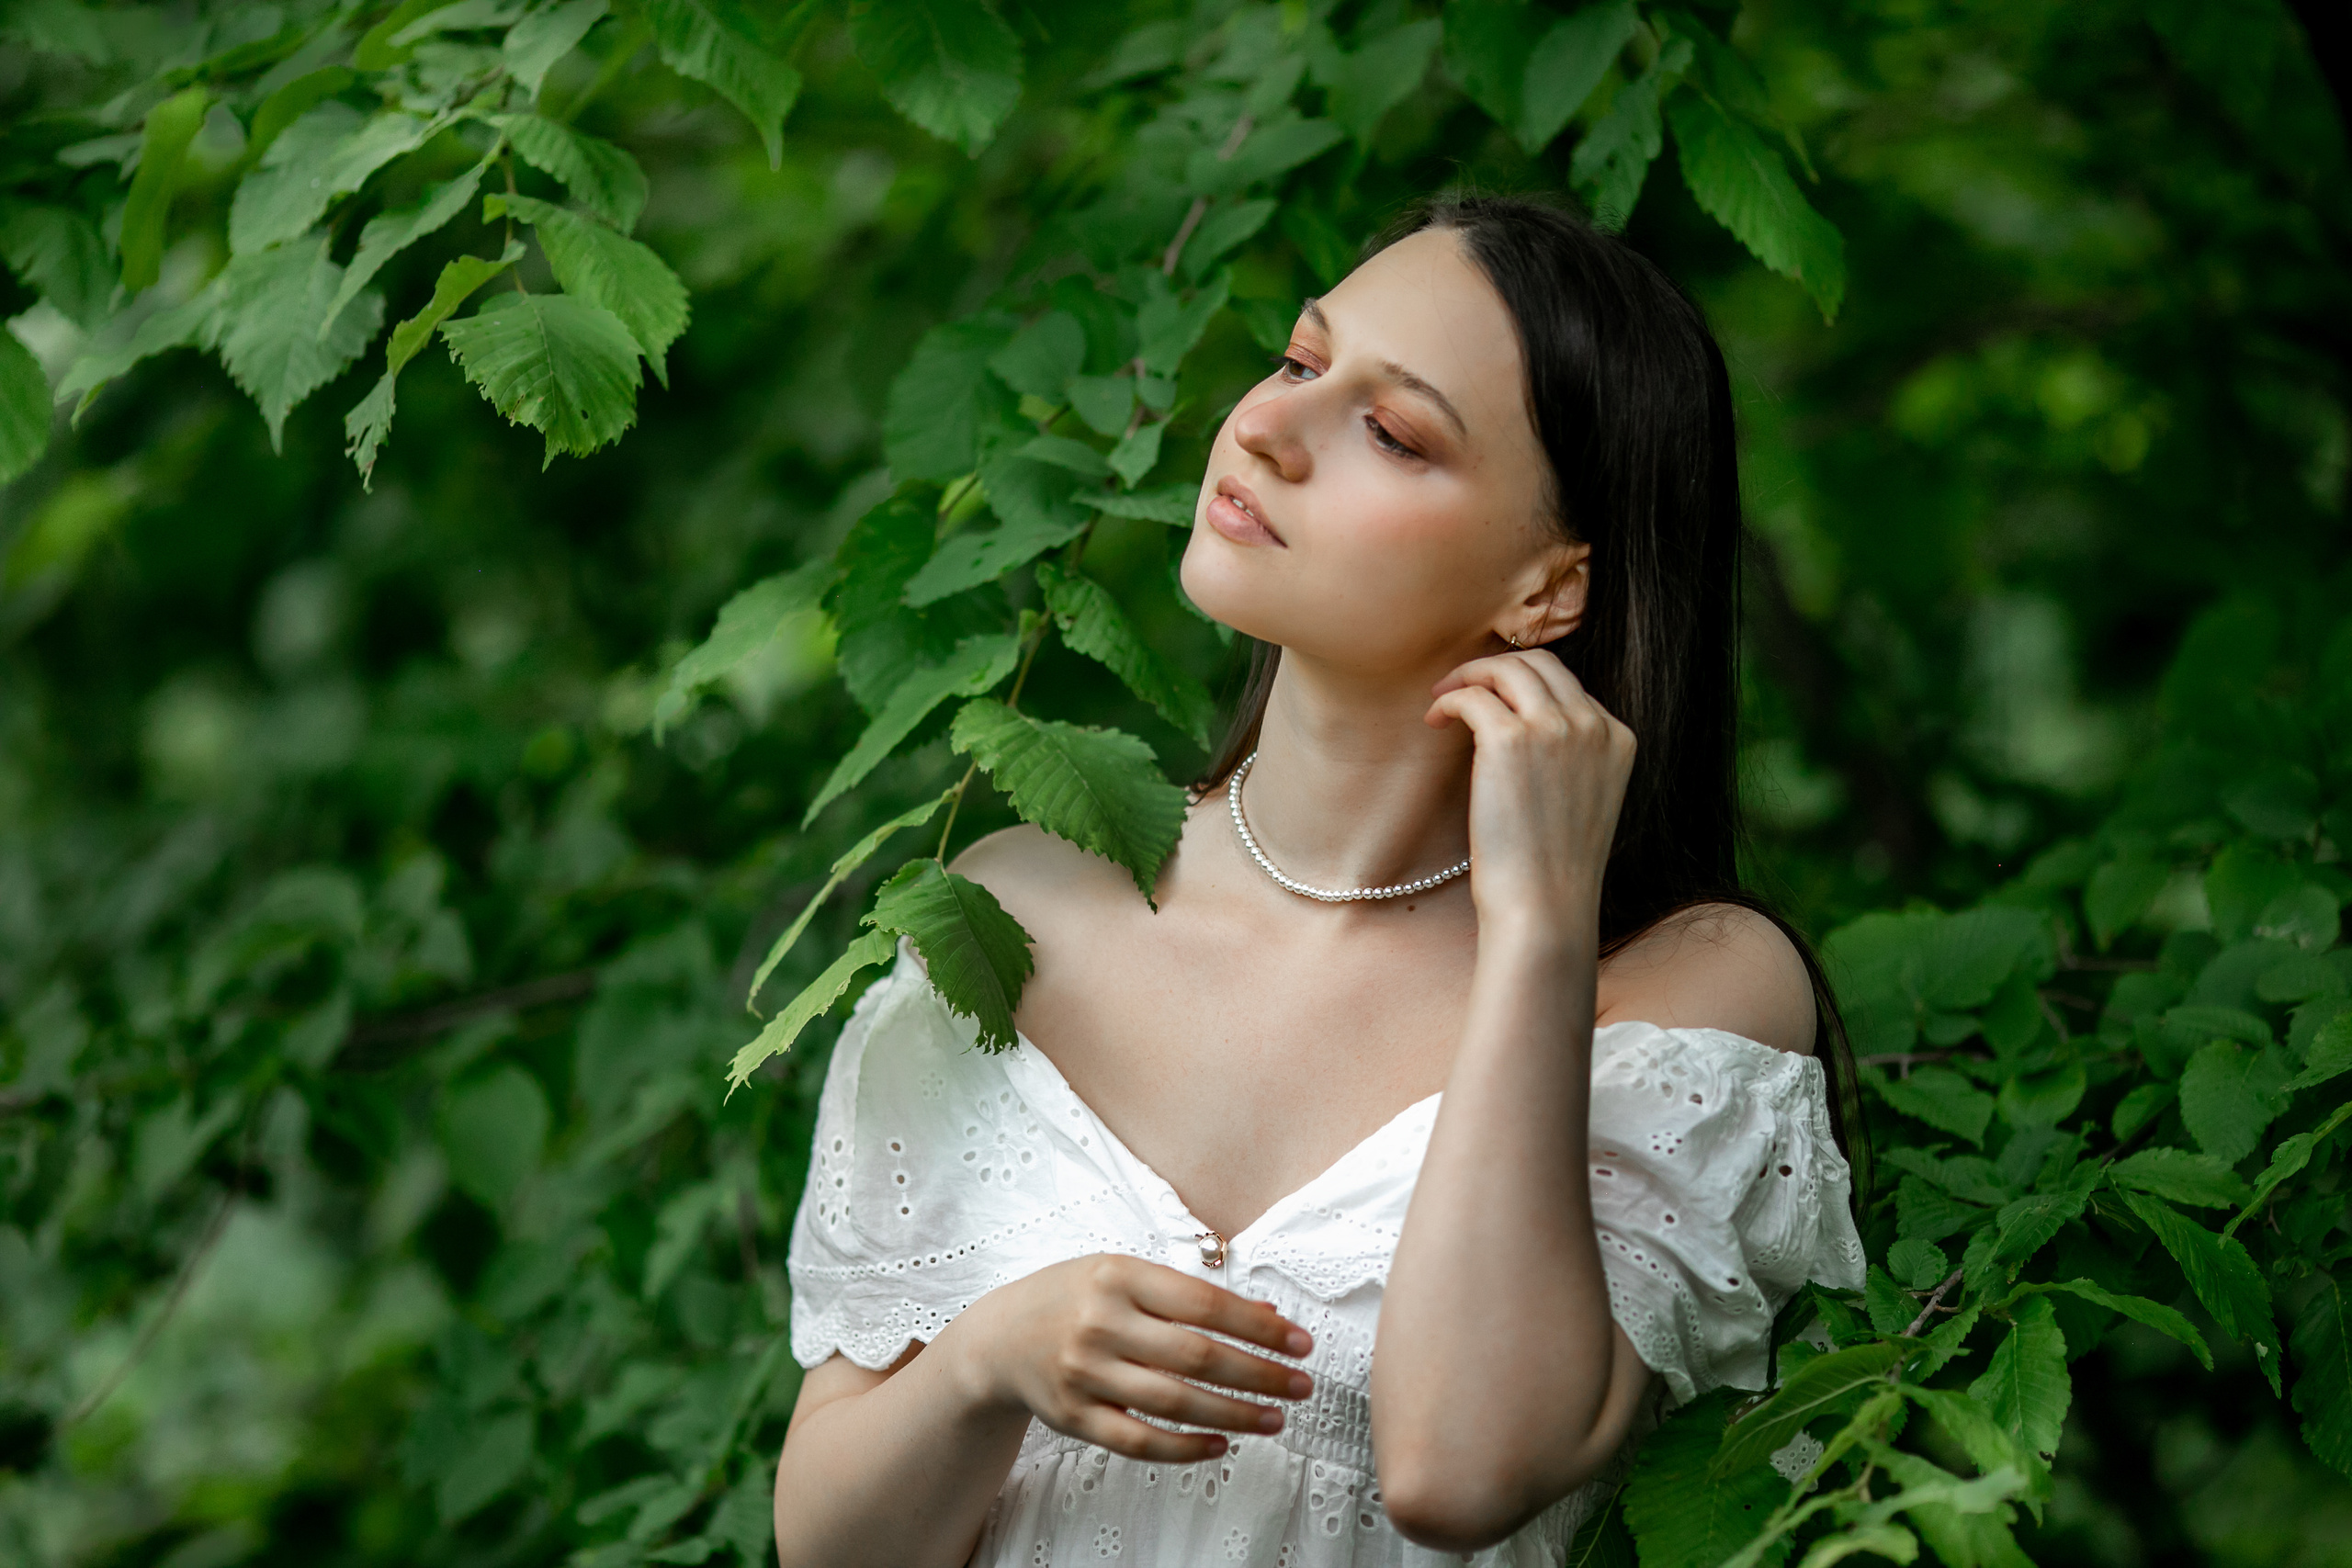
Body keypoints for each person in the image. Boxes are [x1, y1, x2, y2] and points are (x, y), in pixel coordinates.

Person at [770, 193, 1865, 1567]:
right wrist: (993, 1356)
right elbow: (829, 1552)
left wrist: (1537, 932)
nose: (1266, 431)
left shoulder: (1681, 988)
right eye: (1298, 362)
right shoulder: (1016, 914)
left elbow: (1459, 1473)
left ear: (1547, 590)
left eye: (1392, 432)